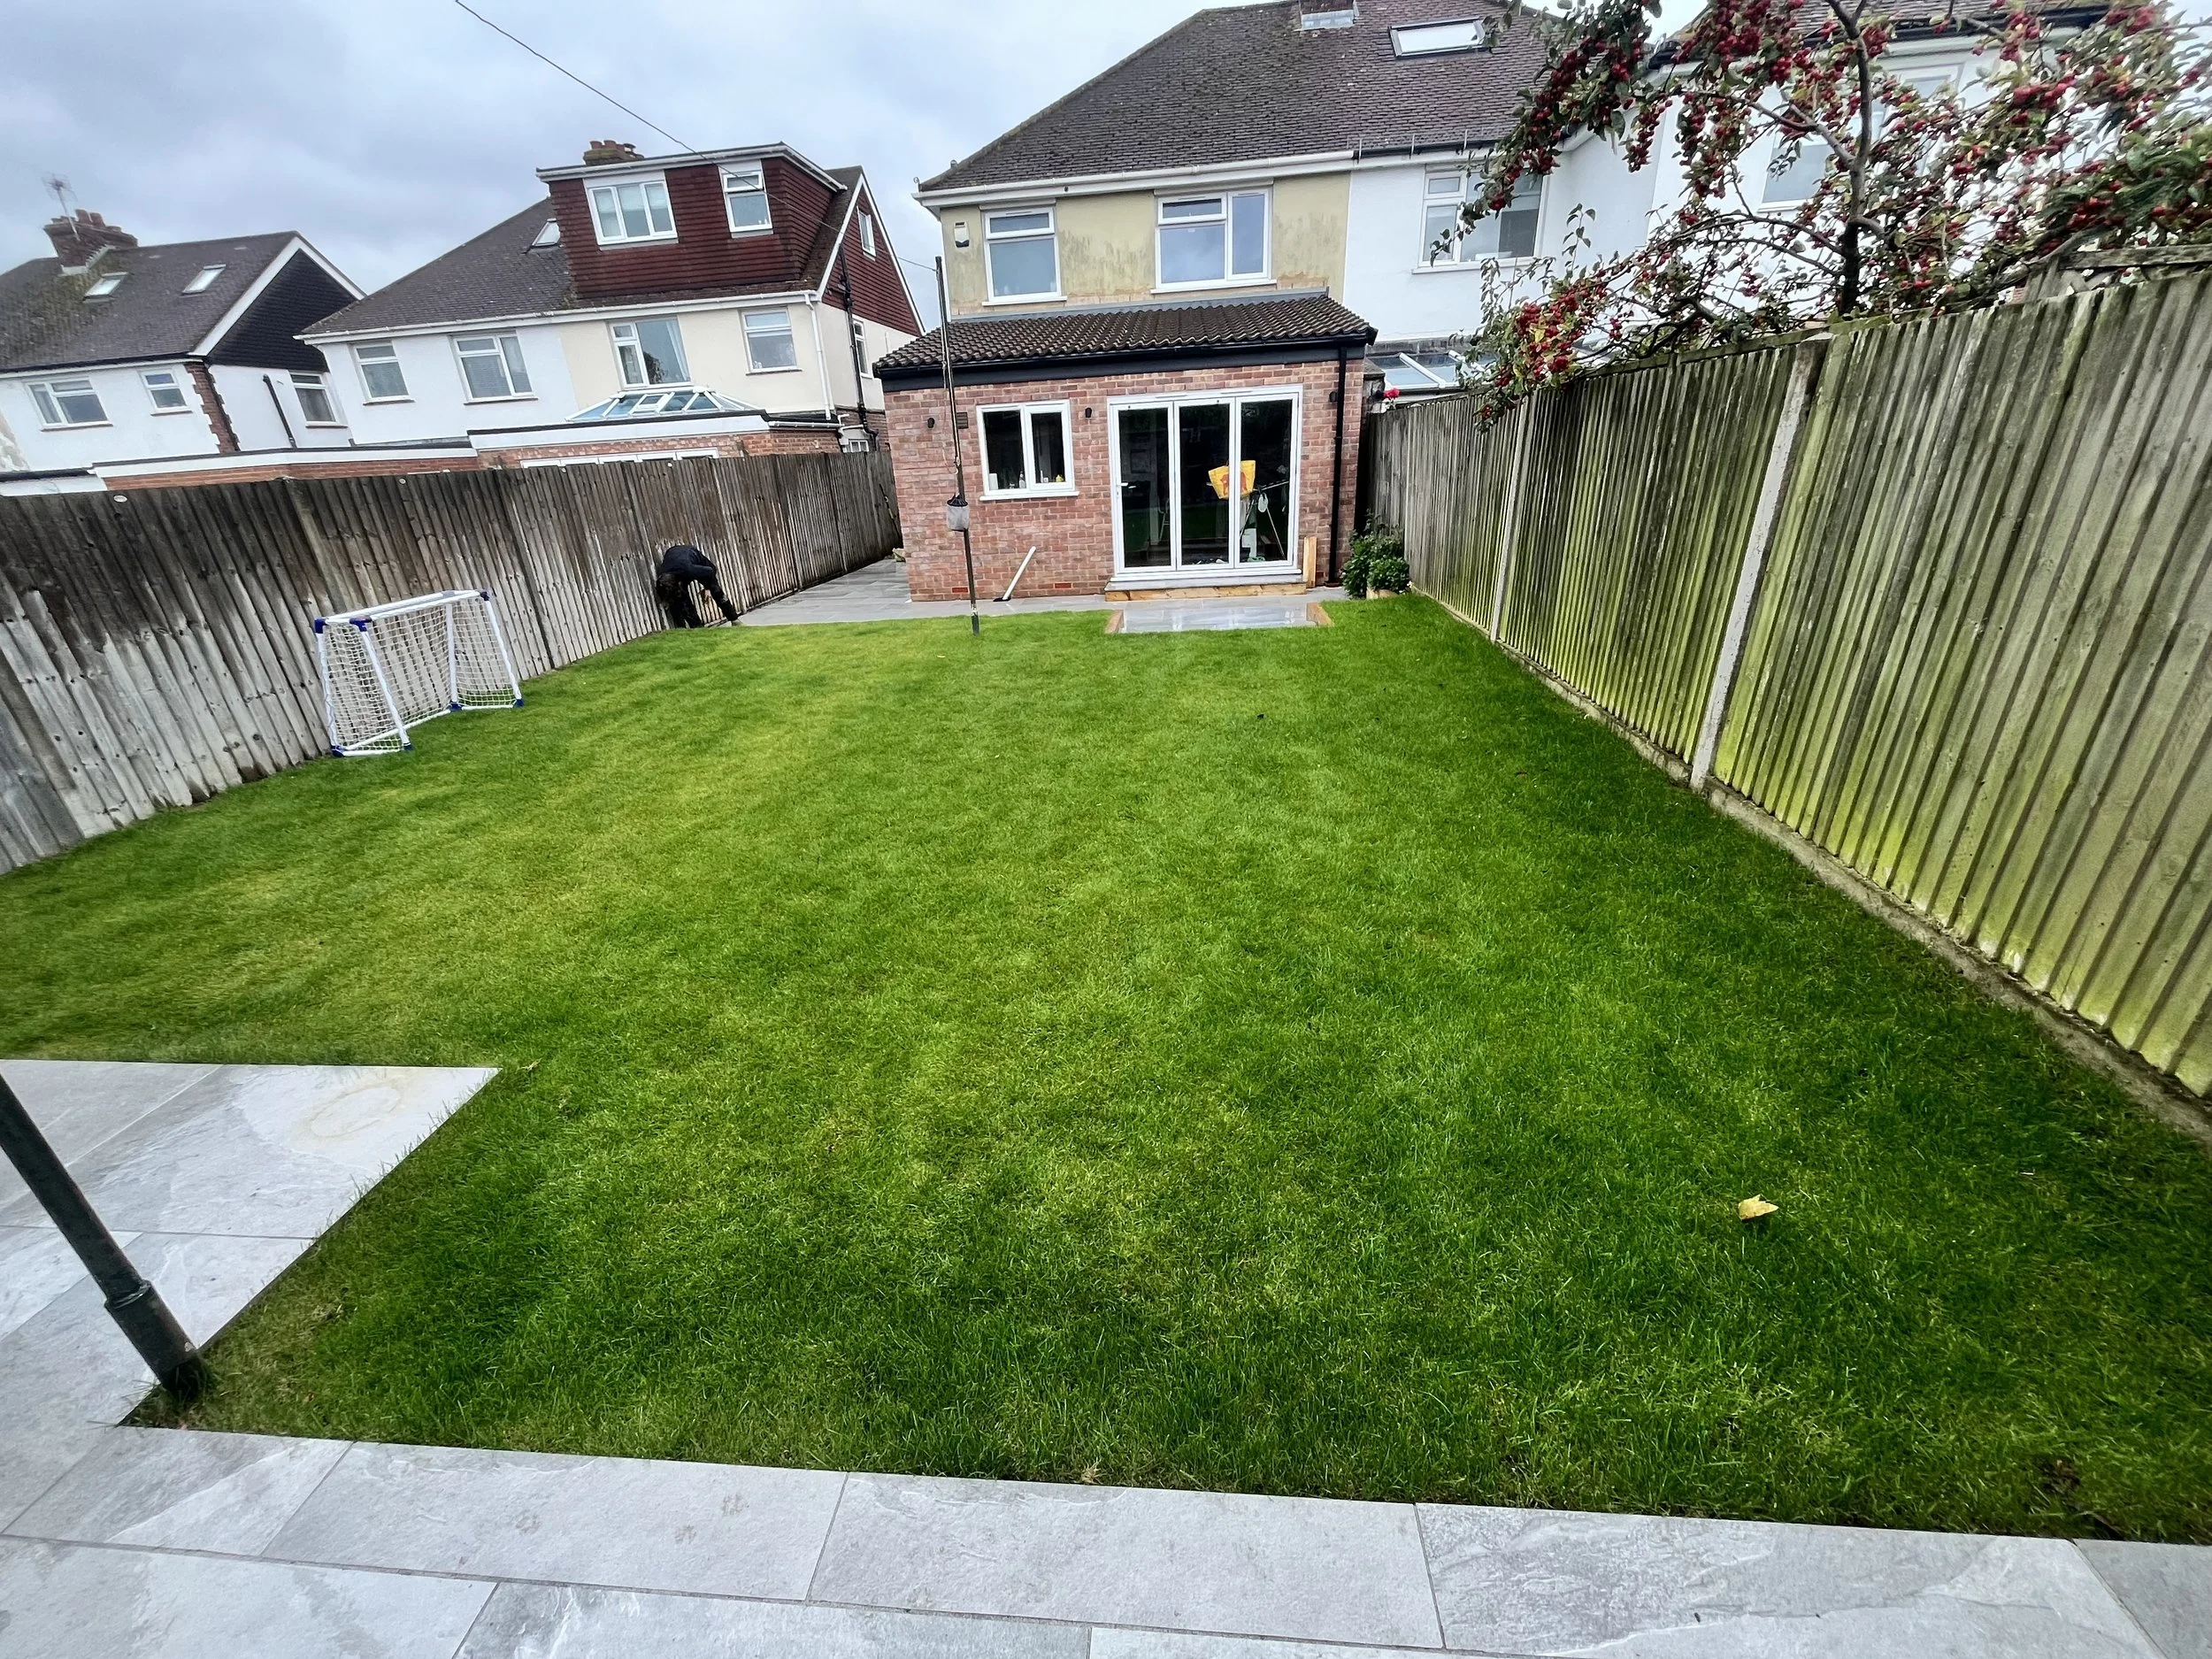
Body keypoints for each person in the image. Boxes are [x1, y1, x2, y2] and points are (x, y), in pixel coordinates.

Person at [655, 543, 737, 627]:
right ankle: (698, 628)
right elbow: (673, 599)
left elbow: (710, 570)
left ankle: (735, 620)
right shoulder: (662, 580)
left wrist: (707, 588)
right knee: (682, 601)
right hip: (674, 555)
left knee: (716, 590)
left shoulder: (690, 570)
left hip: (690, 554)